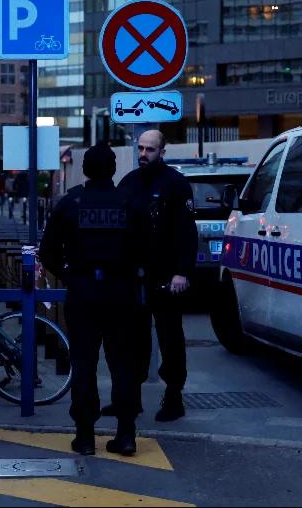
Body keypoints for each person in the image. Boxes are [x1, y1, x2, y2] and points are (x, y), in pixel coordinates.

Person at [39, 143, 146, 456]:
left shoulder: (71, 202)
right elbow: (146, 250)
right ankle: (126, 435)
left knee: (84, 365)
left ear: (84, 169)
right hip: (122, 294)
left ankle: (85, 436)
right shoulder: (130, 203)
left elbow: (48, 252)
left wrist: (70, 275)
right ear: (113, 170)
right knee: (123, 365)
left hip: (83, 294)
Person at [116, 129, 197, 422]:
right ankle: (131, 399)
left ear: (162, 152)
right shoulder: (129, 182)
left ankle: (174, 396)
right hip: (134, 276)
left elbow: (186, 232)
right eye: (140, 148)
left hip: (166, 276)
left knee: (170, 337)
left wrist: (182, 272)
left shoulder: (175, 184)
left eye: (150, 150)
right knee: (134, 339)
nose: (143, 154)